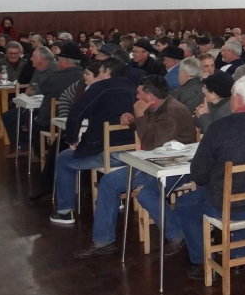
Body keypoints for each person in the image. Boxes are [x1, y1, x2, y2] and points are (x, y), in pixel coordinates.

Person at [170, 76, 245, 279]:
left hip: (228, 204)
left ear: (236, 99)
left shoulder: (220, 127)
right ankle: (238, 256)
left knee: (185, 205)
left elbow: (198, 173)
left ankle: (201, 261)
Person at [73, 75, 197, 256]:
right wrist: (132, 120)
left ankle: (178, 234)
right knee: (108, 182)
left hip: (175, 168)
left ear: (150, 97)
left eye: (139, 94)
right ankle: (103, 240)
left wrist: (138, 114)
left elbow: (150, 142)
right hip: (151, 164)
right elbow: (147, 130)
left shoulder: (171, 112)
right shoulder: (155, 107)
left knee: (146, 194)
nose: (136, 97)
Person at [49, 58, 137, 225]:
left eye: (101, 71)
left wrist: (72, 139)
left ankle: (65, 211)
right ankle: (116, 199)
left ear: (107, 72)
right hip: (134, 150)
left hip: (107, 150)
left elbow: (76, 114)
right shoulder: (134, 86)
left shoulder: (100, 87)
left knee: (63, 159)